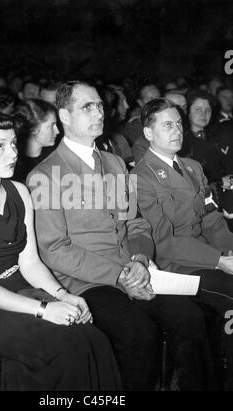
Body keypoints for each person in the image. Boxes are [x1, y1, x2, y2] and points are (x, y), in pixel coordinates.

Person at [28, 80, 216, 391]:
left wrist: (141, 258)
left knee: (188, 317)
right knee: (137, 332)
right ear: (64, 115)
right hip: (87, 281)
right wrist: (121, 275)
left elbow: (136, 225)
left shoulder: (115, 164)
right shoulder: (47, 174)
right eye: (87, 107)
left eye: (100, 105)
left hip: (132, 270)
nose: (98, 112)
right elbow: (55, 249)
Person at [0, 109, 121, 391]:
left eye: (13, 144)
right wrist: (44, 309)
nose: (12, 153)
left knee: (93, 337)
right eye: (0, 146)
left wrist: (64, 295)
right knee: (66, 344)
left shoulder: (19, 192)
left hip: (18, 291)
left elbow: (31, 263)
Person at [133, 98, 233, 388]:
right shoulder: (139, 178)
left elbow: (212, 219)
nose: (177, 130)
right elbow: (164, 241)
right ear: (149, 134)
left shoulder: (192, 167)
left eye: (178, 124)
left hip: (208, 255)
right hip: (176, 267)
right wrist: (220, 260)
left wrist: (230, 249)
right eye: (167, 125)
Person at [13, 99, 60, 182]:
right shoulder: (14, 163)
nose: (57, 131)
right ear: (34, 129)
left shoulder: (56, 157)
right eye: (52, 125)